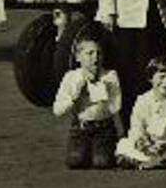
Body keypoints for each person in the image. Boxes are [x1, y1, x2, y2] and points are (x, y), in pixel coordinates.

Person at [52, 32, 123, 169]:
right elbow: (58, 110)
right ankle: (87, 150)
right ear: (78, 57)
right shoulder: (71, 77)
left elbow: (116, 106)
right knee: (75, 162)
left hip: (104, 128)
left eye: (99, 53)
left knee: (102, 163)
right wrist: (76, 93)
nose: (95, 57)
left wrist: (103, 93)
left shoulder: (110, 76)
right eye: (89, 53)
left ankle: (104, 148)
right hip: (80, 128)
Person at [116, 55, 166, 169]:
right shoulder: (142, 100)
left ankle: (159, 161)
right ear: (151, 78)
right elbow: (136, 127)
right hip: (149, 148)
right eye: (161, 78)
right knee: (123, 144)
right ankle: (155, 161)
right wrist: (142, 142)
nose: (165, 83)